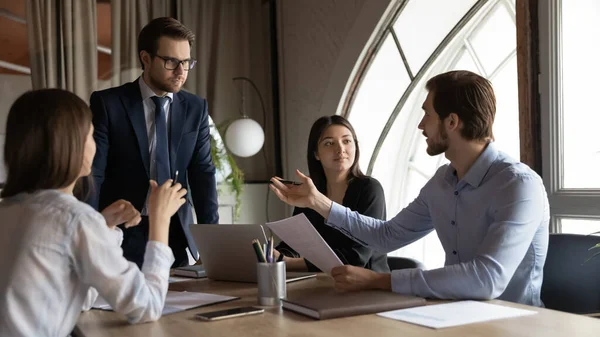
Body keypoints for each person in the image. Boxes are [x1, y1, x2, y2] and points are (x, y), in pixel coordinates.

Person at [270, 70, 550, 306]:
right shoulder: (441, 182)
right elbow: (387, 235)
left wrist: (382, 281)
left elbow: (487, 279)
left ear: (451, 122)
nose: (420, 125)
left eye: (427, 114)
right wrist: (319, 202)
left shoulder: (518, 185)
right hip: (453, 314)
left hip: (515, 322)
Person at [0, 89, 187, 336]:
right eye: (91, 135)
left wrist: (103, 226)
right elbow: (147, 306)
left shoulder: (9, 210)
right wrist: (160, 222)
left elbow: (78, 295)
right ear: (69, 145)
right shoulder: (74, 218)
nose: (96, 144)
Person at [87, 17, 219, 268]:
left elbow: (203, 174)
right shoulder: (109, 104)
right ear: (146, 59)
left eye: (186, 62)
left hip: (176, 231)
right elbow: (94, 173)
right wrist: (89, 233)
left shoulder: (195, 108)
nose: (181, 71)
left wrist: (212, 243)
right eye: (171, 62)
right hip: (124, 228)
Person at [275, 116, 390, 273]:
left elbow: (356, 258)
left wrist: (287, 263)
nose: (340, 149)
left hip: (369, 289)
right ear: (316, 153)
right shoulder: (312, 191)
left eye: (346, 141)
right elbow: (292, 245)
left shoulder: (370, 189)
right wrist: (272, 256)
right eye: (329, 143)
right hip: (323, 285)